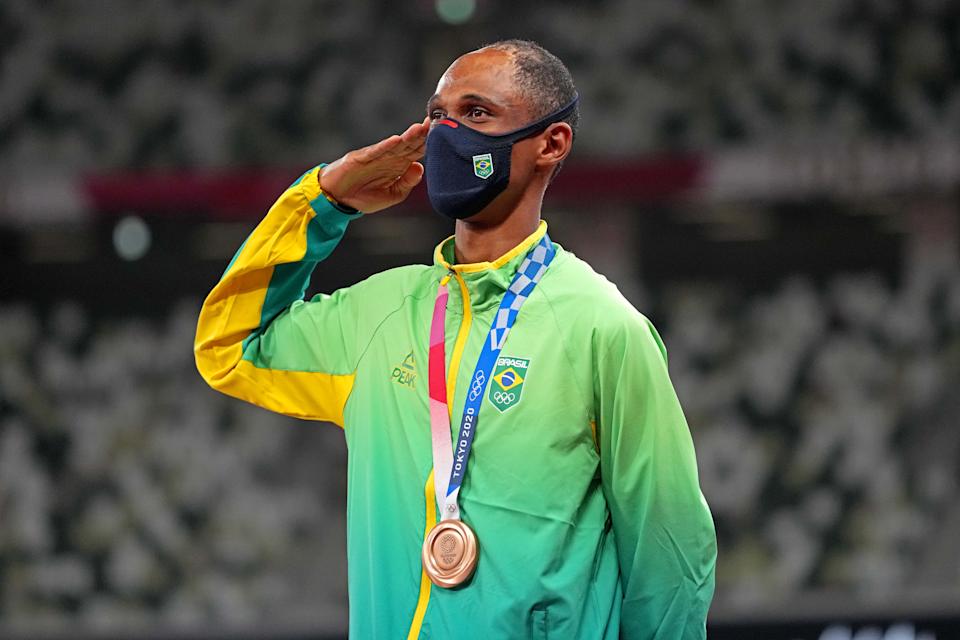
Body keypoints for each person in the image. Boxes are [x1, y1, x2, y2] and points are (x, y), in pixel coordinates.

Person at [195, 39, 716, 639]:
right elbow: (229, 347)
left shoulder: (603, 327)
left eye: (476, 114)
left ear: (551, 144)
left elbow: (670, 555)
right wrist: (323, 201)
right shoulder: (381, 313)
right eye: (437, 114)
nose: (445, 133)